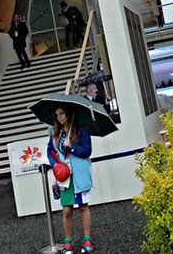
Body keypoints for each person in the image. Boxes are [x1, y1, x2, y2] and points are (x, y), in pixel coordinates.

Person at [47, 106, 95, 254]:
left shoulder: (81, 130)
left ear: (68, 114)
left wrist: (72, 147)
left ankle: (87, 239)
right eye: (57, 115)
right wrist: (55, 165)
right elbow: (50, 151)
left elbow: (87, 150)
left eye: (62, 113)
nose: (60, 117)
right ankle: (68, 241)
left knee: (83, 206)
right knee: (67, 210)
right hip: (64, 176)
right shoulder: (54, 132)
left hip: (79, 174)